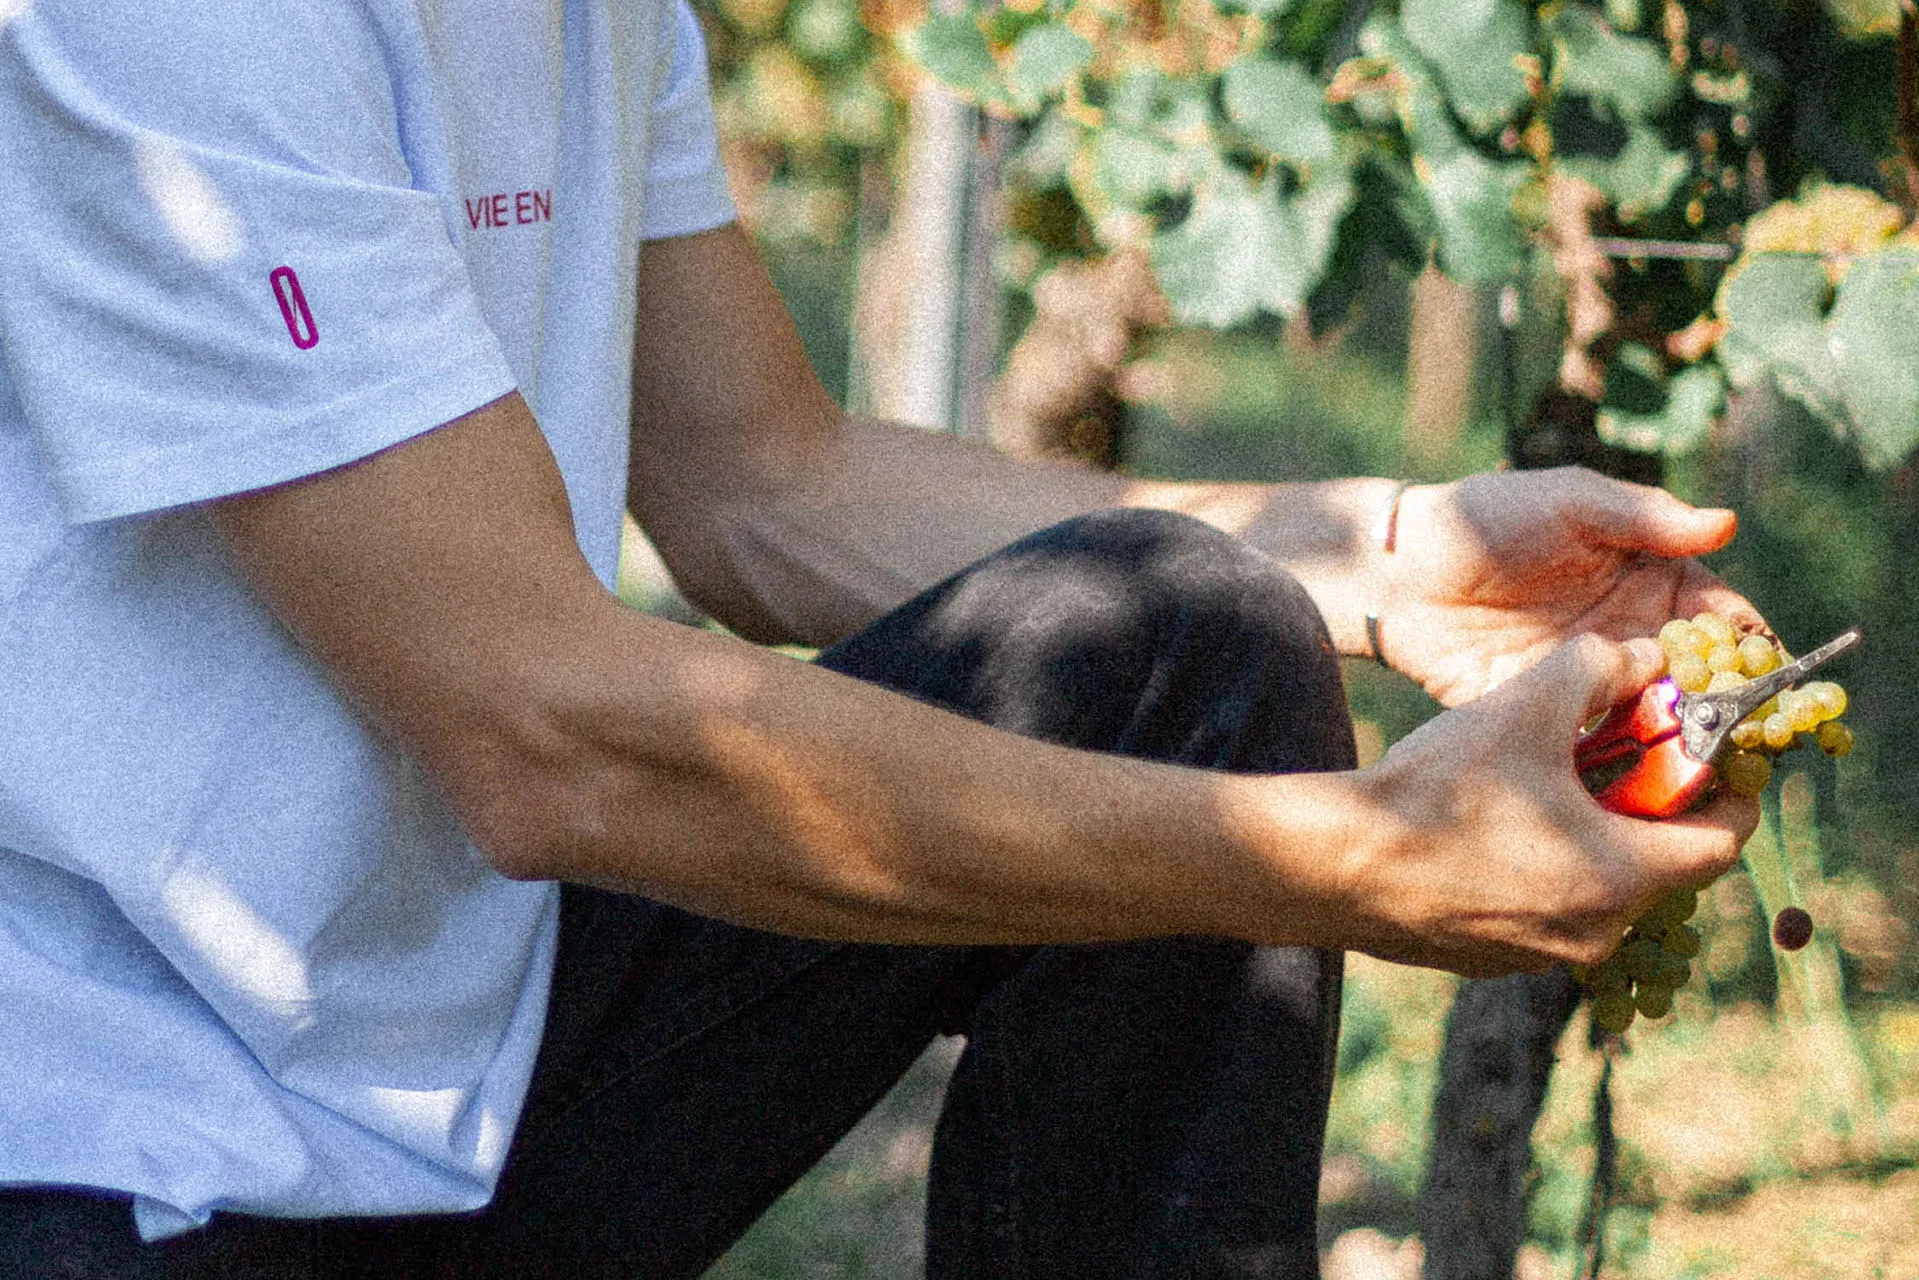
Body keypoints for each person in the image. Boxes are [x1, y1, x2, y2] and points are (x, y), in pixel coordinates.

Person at [0, 1, 1759, 1275]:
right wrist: (1346, 857)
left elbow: (768, 482)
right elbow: (543, 734)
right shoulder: (175, 23)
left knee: (1197, 649)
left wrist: (1381, 561)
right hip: (122, 1143)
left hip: (473, 1037)